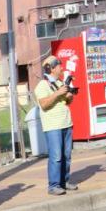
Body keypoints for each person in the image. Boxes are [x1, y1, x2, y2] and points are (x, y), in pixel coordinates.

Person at [35, 55, 79, 196]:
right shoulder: (42, 85)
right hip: (53, 126)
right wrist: (58, 93)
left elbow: (68, 102)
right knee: (56, 156)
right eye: (59, 66)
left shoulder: (60, 83)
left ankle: (63, 182)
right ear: (51, 68)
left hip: (66, 123)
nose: (61, 68)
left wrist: (70, 94)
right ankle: (53, 185)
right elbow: (44, 104)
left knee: (67, 155)